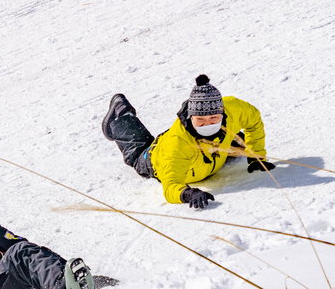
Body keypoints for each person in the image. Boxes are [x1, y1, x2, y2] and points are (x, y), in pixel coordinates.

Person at [101, 75, 274, 209]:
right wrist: (187, 193)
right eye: (200, 120)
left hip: (212, 154)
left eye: (214, 118)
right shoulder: (176, 146)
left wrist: (256, 155)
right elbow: (170, 186)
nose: (208, 124)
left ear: (223, 114)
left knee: (240, 143)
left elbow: (254, 122)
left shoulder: (234, 109)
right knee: (137, 152)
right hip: (155, 158)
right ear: (191, 117)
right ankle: (120, 116)